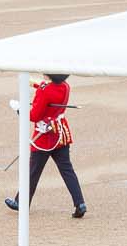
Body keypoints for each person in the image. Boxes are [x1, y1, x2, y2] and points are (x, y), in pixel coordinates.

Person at [5, 74, 86, 218]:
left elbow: (34, 116)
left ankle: (21, 202)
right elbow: (49, 88)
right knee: (67, 170)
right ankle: (79, 203)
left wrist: (19, 109)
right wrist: (35, 84)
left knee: (33, 172)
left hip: (44, 136)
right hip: (60, 133)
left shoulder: (44, 91)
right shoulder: (65, 86)